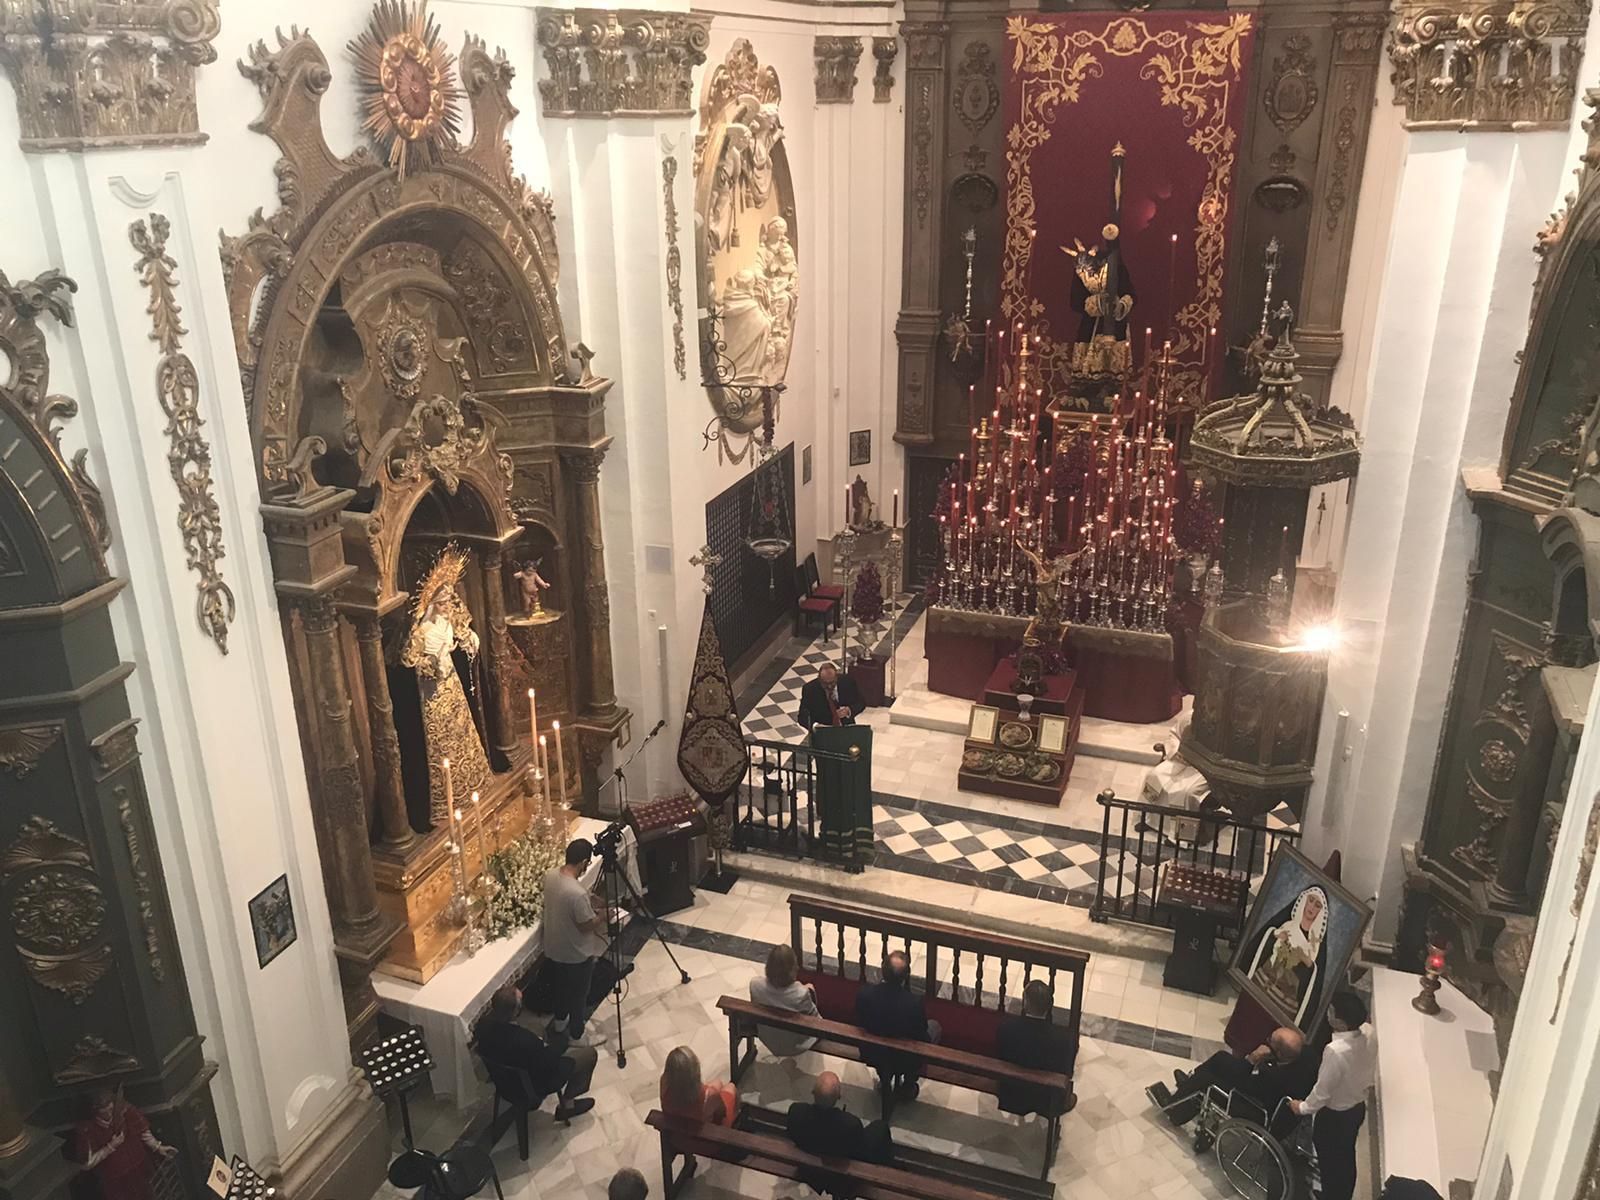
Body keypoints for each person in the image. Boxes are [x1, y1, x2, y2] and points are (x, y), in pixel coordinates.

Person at [1145, 1025, 1315, 1130]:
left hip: (1255, 1109)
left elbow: (1243, 1082)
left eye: (1270, 1040)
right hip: (1274, 1105)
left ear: (1278, 1052)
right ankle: (1189, 1085)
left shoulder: (1273, 1076)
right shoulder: (1305, 1058)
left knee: (1207, 1079)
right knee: (1221, 1058)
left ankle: (1174, 1109)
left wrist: (1252, 1058)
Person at [1290, 992, 1375, 1200]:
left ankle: (1331, 1196)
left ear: (1340, 1022)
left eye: (1331, 1011)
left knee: (1329, 1162)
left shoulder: (1335, 1051)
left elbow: (1323, 1091)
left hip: (1335, 1117)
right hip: (1356, 1108)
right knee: (1346, 1158)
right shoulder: (1368, 1031)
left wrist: (1302, 1107)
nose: (1328, 1013)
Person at [473, 985, 597, 1121]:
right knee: (589, 1054)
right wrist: (560, 1045)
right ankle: (568, 1105)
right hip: (532, 1086)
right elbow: (548, 1064)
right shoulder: (525, 1041)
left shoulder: (482, 1027)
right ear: (516, 1011)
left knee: (537, 1028)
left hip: (502, 1080)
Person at [542, 838, 608, 1046]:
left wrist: (588, 900)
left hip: (555, 947)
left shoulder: (551, 875)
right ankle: (577, 1035)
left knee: (561, 989)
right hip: (576, 953)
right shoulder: (576, 893)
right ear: (583, 862)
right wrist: (603, 915)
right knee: (579, 995)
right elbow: (586, 925)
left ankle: (560, 1023)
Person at [1241, 885, 1331, 1028]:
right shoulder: (1288, 925)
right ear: (1305, 900)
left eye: (1317, 905)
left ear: (1320, 912)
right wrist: (1275, 936)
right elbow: (1266, 943)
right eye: (1311, 900)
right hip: (1264, 980)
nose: (1312, 907)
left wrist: (1307, 963)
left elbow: (1313, 979)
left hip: (1286, 997)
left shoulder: (1316, 944)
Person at [854, 951, 938, 1100]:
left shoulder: (865, 994)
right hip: (904, 1059)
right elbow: (922, 1036)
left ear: (882, 970)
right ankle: (909, 1083)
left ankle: (884, 1077)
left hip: (872, 1052)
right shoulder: (913, 1004)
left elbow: (859, 1022)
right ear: (905, 976)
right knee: (935, 1027)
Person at [786, 1071, 893, 1186]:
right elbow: (857, 1147)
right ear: (839, 1097)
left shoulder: (796, 1112)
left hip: (809, 1159)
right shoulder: (851, 1125)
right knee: (880, 1127)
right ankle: (888, 1167)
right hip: (840, 1169)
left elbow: (792, 1134)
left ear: (813, 1092)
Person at [73, 1090, 176, 1200]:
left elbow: (142, 1131)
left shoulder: (124, 1111)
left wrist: (157, 1147)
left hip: (140, 1167)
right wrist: (110, 1147)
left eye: (110, 1109)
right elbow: (87, 1163)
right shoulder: (87, 1129)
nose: (108, 1114)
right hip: (114, 1179)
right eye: (103, 1111)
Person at [995, 980, 1076, 1117]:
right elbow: (1067, 1072)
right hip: (1046, 1099)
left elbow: (1000, 1058)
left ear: (1025, 1003)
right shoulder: (1064, 1039)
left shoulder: (1006, 1029)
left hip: (1010, 1093)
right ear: (1049, 1006)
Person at [659, 1046, 738, 1181]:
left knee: (717, 1083)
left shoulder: (664, 1084)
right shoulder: (709, 1096)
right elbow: (722, 1112)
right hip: (705, 1143)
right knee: (731, 1088)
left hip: (677, 1137)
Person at [748, 944, 820, 1055]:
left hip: (768, 1036)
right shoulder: (801, 994)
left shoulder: (755, 985)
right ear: (793, 969)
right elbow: (816, 1019)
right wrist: (810, 991)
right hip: (795, 1044)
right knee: (810, 988)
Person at [798, 661, 867, 731]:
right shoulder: (810, 690)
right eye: (825, 683)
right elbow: (802, 717)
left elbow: (861, 703)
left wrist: (849, 710)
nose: (829, 686)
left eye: (832, 683)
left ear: (836, 677)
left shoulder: (847, 682)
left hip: (846, 728)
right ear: (819, 679)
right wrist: (815, 726)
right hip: (822, 730)